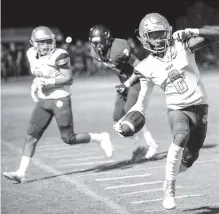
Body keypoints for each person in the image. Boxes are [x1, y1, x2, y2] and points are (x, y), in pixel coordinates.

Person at [114, 13, 219, 210]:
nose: (158, 38)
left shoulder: (183, 45)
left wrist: (193, 31)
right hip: (177, 109)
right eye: (153, 35)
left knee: (191, 157)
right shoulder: (146, 67)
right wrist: (127, 120)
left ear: (168, 32)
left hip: (200, 107)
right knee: (181, 135)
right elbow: (141, 102)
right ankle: (169, 187)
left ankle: (171, 175)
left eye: (161, 33)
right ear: (145, 38)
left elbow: (217, 34)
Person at [3, 26, 114, 183]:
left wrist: (48, 82)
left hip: (60, 98)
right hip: (43, 100)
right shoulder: (30, 54)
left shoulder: (60, 55)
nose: (46, 45)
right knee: (31, 137)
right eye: (41, 42)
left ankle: (101, 138)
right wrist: (36, 84)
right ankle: (21, 172)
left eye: (48, 41)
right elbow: (39, 73)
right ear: (33, 43)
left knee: (68, 138)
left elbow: (68, 78)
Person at [89, 24, 158, 161]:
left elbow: (139, 66)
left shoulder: (118, 48)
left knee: (130, 111)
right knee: (117, 116)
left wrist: (127, 83)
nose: (97, 46)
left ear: (107, 39)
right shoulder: (95, 52)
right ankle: (139, 145)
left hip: (139, 79)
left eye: (99, 42)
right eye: (94, 43)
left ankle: (151, 144)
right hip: (125, 81)